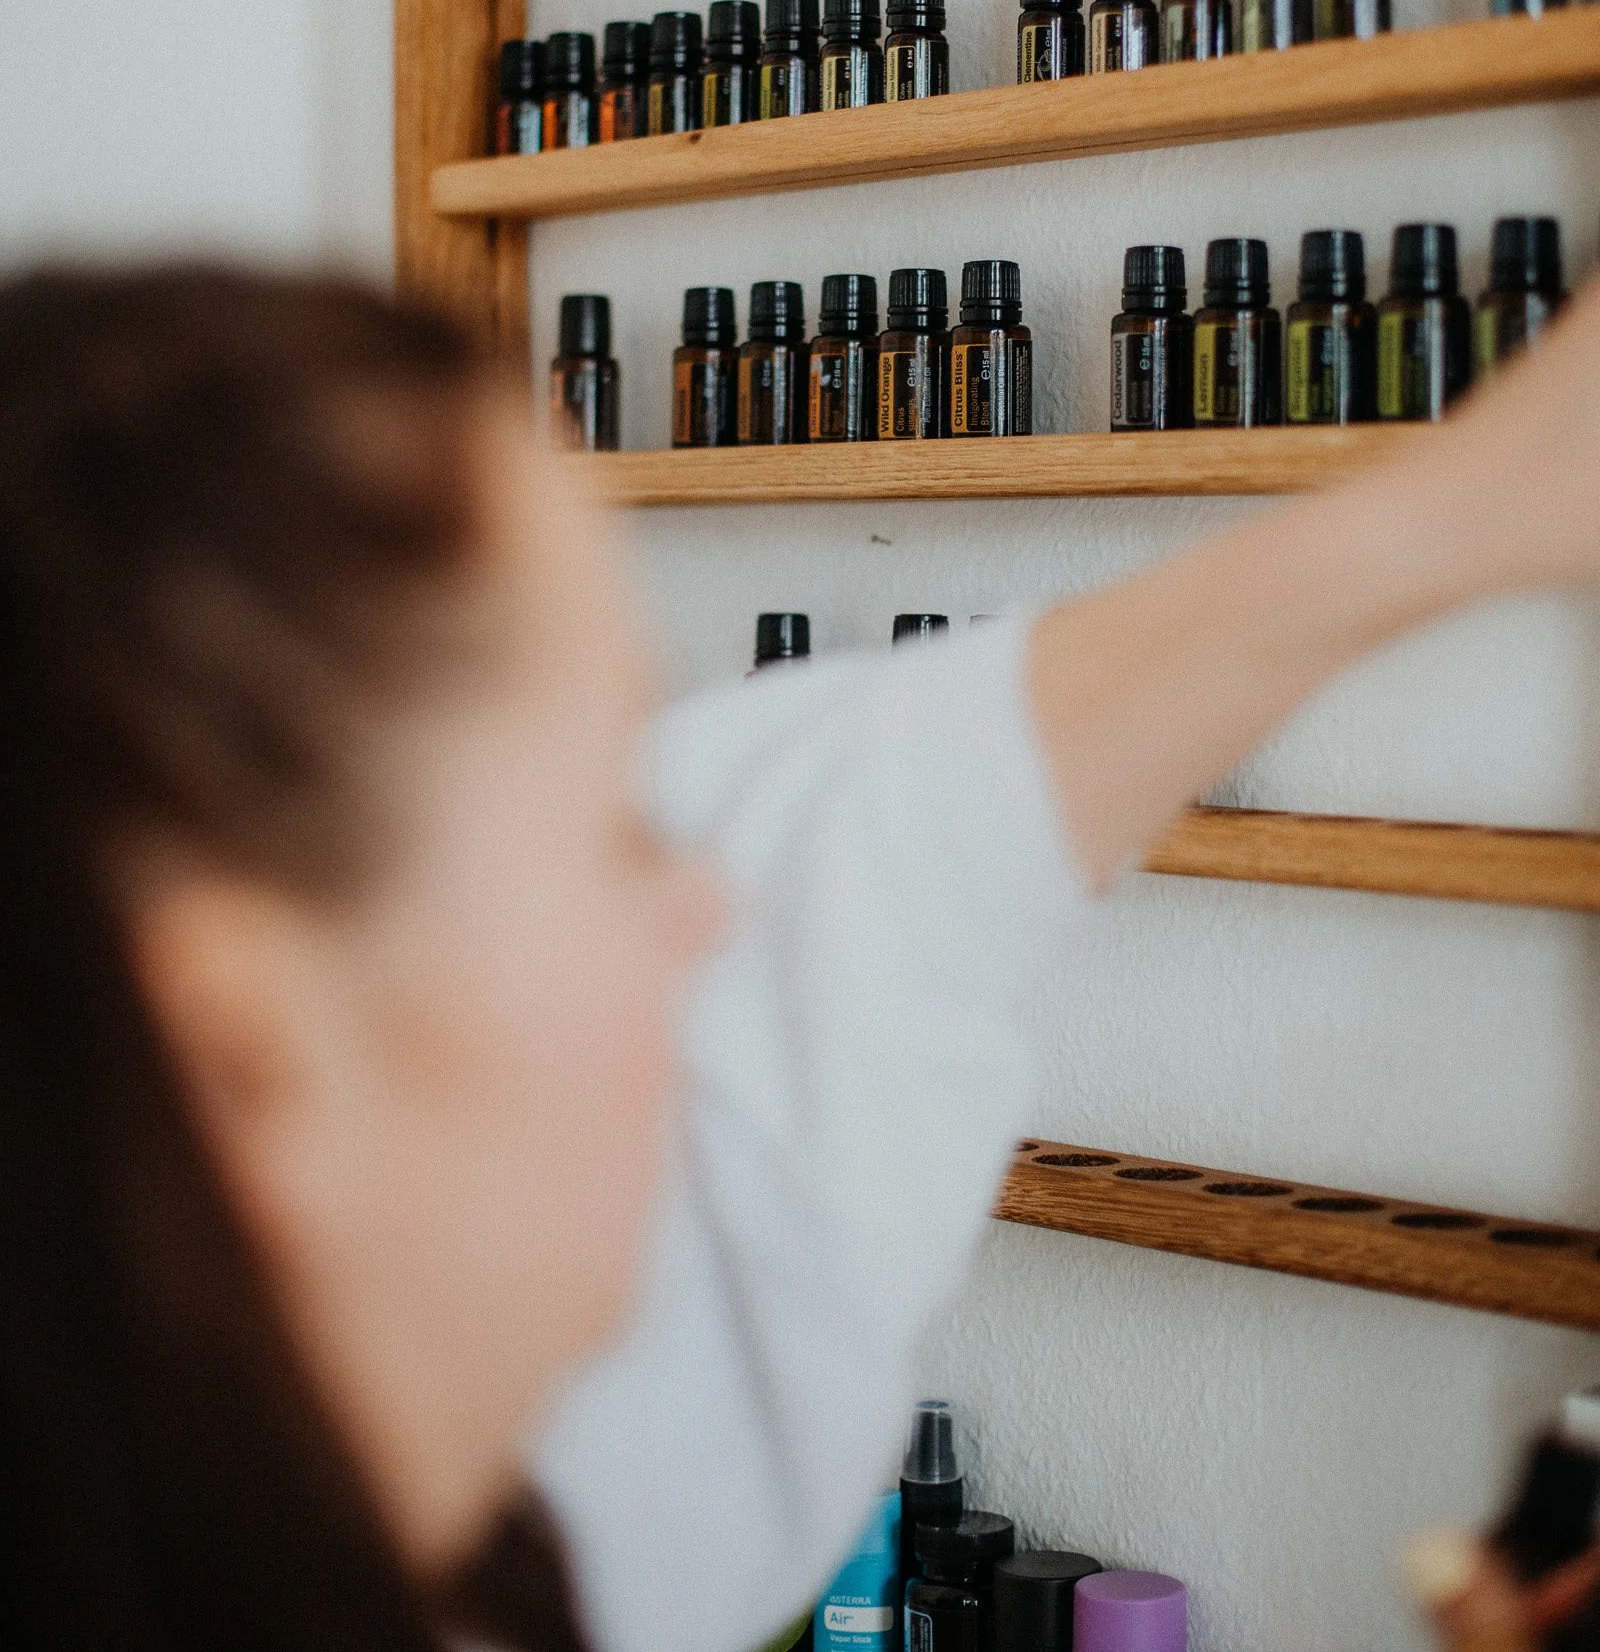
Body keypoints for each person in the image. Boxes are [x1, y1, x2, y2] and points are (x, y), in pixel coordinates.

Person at [0, 258, 1595, 1652]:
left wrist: (1456, 514)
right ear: (247, 1053)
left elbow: (886, 821)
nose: (712, 903)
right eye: (616, 822)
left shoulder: (501, 1499)